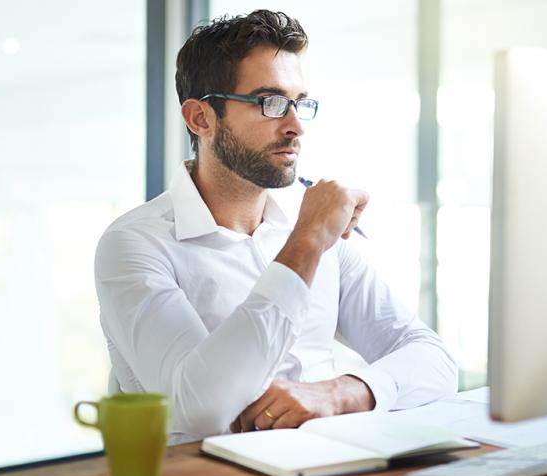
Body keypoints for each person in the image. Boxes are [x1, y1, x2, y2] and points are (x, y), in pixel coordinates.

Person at [94, 10, 457, 445]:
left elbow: (433, 359)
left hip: (333, 467)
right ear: (201, 119)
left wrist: (340, 392)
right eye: (270, 102)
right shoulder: (135, 245)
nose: (296, 125)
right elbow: (201, 407)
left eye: (299, 102)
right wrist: (306, 242)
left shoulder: (315, 226)